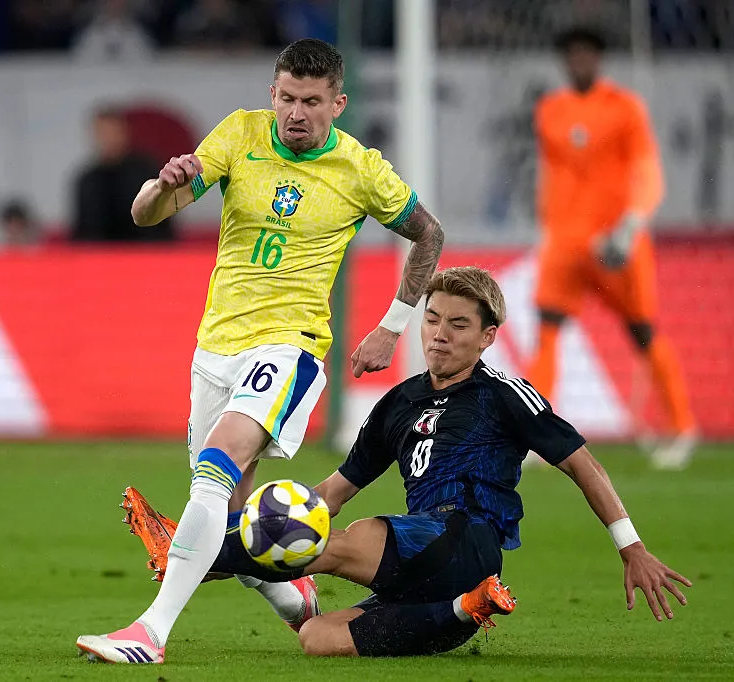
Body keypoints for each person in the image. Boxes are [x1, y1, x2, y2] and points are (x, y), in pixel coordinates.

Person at [75, 38, 446, 664]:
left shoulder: (360, 169)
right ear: (271, 95)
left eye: (310, 102)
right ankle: (293, 592)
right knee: (230, 518)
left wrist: (393, 325)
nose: (295, 113)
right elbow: (146, 215)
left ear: (337, 104)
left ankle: (150, 634)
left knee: (212, 475)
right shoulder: (240, 135)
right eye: (286, 99)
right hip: (214, 348)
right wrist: (162, 186)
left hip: (289, 347)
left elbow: (428, 233)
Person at [123, 266, 692, 658]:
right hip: (428, 591)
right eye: (432, 319)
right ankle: (467, 610)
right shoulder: (399, 402)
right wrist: (280, 510)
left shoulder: (505, 395)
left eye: (458, 324)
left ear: (488, 336)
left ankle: (184, 545)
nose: (439, 336)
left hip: (465, 537)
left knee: (339, 542)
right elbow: (335, 490)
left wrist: (632, 547)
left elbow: (582, 465)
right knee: (317, 636)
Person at [528, 26, 697, 470]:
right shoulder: (550, 111)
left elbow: (647, 170)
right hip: (565, 241)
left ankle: (682, 428)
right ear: (565, 60)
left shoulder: (625, 108)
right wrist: (546, 223)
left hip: (615, 242)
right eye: (573, 54)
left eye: (587, 53)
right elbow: (553, 175)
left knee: (642, 330)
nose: (580, 61)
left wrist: (632, 223)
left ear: (599, 59)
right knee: (546, 329)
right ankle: (535, 434)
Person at [69, 107, 173, 242]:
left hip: (145, 255)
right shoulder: (87, 180)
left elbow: (159, 227)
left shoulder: (147, 171)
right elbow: (84, 233)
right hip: (99, 259)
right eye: (102, 133)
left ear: (124, 133)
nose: (107, 139)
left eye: (112, 132)